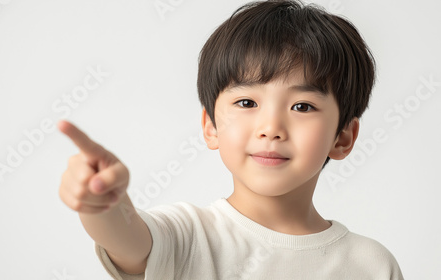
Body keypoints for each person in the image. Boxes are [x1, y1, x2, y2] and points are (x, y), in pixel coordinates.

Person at [57, 0, 404, 279]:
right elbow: (127, 239)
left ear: (343, 137)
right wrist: (103, 204)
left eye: (302, 106)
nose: (271, 128)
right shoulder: (187, 236)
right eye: (247, 102)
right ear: (211, 126)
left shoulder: (371, 265)